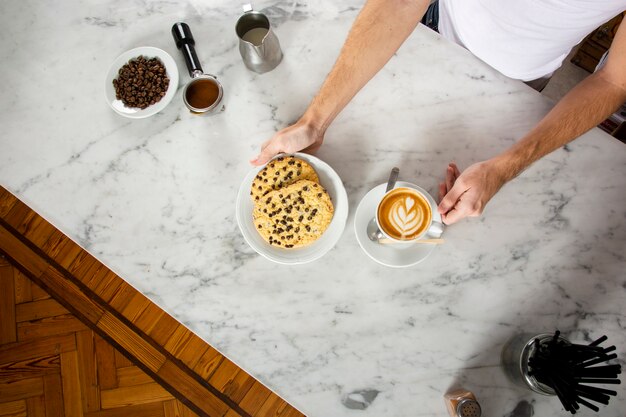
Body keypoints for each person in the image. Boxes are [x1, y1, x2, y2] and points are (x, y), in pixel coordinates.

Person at [250, 0, 626, 225]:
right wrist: (314, 122)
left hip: (520, 80)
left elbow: (614, 81)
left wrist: (504, 167)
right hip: (431, 24)